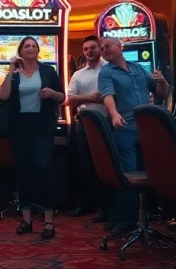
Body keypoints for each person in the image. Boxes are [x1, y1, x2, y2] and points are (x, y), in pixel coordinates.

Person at [97, 37, 170, 232]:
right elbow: (107, 95)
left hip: (147, 128)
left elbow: (161, 93)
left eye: (108, 46)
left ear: (120, 47)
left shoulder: (137, 68)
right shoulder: (106, 72)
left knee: (152, 172)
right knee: (127, 174)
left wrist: (162, 82)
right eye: (102, 47)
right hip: (124, 127)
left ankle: (150, 217)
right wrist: (114, 114)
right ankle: (127, 220)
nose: (104, 49)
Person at [0, 36, 65, 239]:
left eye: (34, 46)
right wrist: (10, 70)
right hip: (19, 127)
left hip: (42, 125)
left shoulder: (48, 71)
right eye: (27, 46)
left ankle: (49, 220)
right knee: (23, 171)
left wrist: (52, 92)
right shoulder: (15, 74)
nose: (31, 48)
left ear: (38, 50)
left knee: (42, 168)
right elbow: (3, 96)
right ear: (20, 51)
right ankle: (26, 219)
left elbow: (62, 97)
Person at [65, 35, 108, 219]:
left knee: (106, 165)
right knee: (85, 164)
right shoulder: (78, 74)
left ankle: (105, 206)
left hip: (107, 120)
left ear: (100, 48)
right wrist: (91, 98)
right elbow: (69, 100)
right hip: (85, 122)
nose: (89, 51)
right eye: (85, 49)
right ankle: (86, 203)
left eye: (92, 48)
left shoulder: (110, 69)